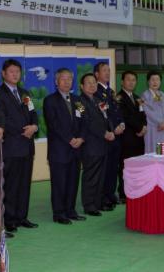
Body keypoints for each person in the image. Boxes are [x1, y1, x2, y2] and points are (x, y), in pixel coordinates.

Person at [0, 59, 39, 234]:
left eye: (17, 72)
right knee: (10, 185)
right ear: (3, 74)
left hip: (27, 147)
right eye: (11, 71)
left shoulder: (25, 93)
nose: (15, 74)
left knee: (24, 184)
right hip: (11, 146)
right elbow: (1, 118)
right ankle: (9, 220)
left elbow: (33, 114)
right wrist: (24, 129)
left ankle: (22, 217)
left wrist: (34, 126)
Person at [43, 68, 86, 224]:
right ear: (56, 81)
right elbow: (53, 124)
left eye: (69, 79)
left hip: (76, 149)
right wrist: (70, 139)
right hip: (59, 149)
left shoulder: (78, 101)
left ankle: (71, 210)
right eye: (63, 79)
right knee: (59, 183)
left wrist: (81, 138)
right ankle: (59, 213)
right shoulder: (49, 100)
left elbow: (84, 121)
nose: (67, 82)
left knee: (73, 181)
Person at [79, 73, 114, 216]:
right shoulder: (79, 103)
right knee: (91, 176)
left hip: (103, 144)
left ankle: (98, 202)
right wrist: (104, 133)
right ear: (82, 86)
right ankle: (89, 205)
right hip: (90, 145)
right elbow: (87, 121)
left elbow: (107, 117)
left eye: (94, 82)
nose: (92, 85)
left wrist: (111, 130)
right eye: (88, 83)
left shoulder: (99, 100)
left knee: (101, 176)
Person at [93, 62, 124, 210]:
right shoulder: (97, 92)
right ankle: (103, 198)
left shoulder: (111, 91)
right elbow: (103, 115)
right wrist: (113, 128)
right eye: (104, 70)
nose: (107, 73)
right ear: (96, 74)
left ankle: (110, 195)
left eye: (108, 70)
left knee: (113, 167)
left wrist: (122, 124)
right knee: (105, 170)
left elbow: (117, 111)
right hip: (107, 136)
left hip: (117, 136)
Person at [117, 71, 147, 202]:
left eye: (134, 80)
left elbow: (143, 114)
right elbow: (125, 116)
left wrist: (144, 126)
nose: (131, 82)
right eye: (128, 80)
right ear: (122, 82)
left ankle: (136, 189)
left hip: (139, 138)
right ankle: (123, 193)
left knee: (138, 165)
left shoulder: (137, 97)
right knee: (125, 166)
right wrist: (139, 128)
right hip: (127, 138)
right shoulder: (118, 97)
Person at [141, 71, 164, 153]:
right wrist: (159, 122)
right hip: (152, 128)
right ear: (148, 82)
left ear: (160, 82)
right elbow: (147, 112)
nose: (155, 82)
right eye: (152, 80)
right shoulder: (144, 96)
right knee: (153, 151)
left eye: (157, 79)